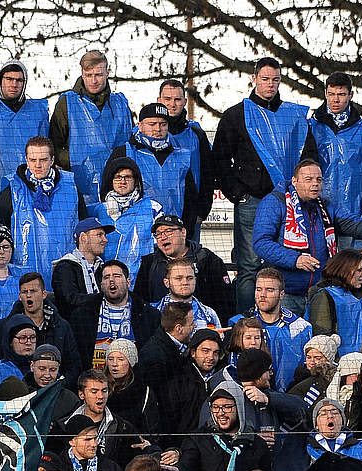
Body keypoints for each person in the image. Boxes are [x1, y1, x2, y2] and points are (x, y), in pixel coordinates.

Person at [211, 57, 318, 313]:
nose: (270, 85)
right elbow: (219, 159)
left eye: (275, 80)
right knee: (248, 265)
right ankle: (247, 322)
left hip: (290, 202)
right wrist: (238, 194)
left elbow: (309, 155)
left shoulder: (294, 116)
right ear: (254, 78)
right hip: (252, 200)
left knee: (282, 262)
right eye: (265, 79)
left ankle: (281, 317)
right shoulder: (236, 115)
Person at [254, 162, 362, 315]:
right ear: (295, 181)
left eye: (319, 179)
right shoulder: (274, 202)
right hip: (286, 293)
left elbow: (358, 226)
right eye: (309, 179)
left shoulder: (326, 206)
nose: (315, 184)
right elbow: (261, 243)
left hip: (319, 292)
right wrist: (296, 259)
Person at [0, 137, 86, 279]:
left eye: (43, 160)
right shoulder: (11, 192)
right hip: (25, 278)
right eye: (32, 160)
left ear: (52, 160)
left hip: (67, 276)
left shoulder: (71, 188)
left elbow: (85, 229)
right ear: (26, 159)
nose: (37, 165)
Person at [50, 50, 133, 205]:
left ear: (107, 73)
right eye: (88, 75)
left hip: (118, 183)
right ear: (82, 74)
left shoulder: (120, 104)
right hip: (78, 181)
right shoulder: (67, 103)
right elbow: (54, 143)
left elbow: (130, 142)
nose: (93, 80)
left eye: (98, 75)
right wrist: (72, 161)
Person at [309, 73, 362, 224]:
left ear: (351, 95)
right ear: (325, 93)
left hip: (356, 213)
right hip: (318, 212)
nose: (335, 99)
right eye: (331, 94)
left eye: (341, 94)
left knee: (354, 249)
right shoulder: (311, 127)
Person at [109, 102, 199, 223]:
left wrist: (187, 229)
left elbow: (190, 197)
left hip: (172, 227)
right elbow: (108, 189)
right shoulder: (124, 152)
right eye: (152, 124)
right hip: (135, 229)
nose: (158, 129)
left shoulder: (181, 156)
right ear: (140, 125)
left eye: (163, 124)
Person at [67, 260, 161, 370]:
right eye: (106, 277)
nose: (111, 280)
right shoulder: (82, 316)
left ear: (128, 282)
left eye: (116, 276)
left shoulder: (149, 315)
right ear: (101, 285)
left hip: (136, 382)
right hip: (96, 381)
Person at [136, 214, 234, 319]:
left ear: (183, 233)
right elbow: (141, 301)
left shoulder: (206, 259)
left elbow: (225, 301)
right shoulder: (149, 263)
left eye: (169, 231)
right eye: (158, 234)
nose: (163, 237)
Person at [0, 61, 50, 195]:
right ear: (0, 80)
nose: (14, 84)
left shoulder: (38, 111)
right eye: (9, 79)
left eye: (19, 80)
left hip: (34, 185)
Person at [158, 80, 214, 236]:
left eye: (177, 99)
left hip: (190, 213)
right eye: (167, 99)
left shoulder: (196, 134)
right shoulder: (146, 133)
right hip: (156, 212)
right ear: (159, 101)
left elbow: (207, 174)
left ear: (184, 101)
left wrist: (202, 210)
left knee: (188, 258)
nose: (172, 104)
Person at [52, 218, 114, 317]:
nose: (105, 240)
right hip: (78, 328)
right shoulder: (65, 267)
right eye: (99, 235)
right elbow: (69, 300)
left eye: (105, 235)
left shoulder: (102, 268)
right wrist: (104, 298)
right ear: (83, 238)